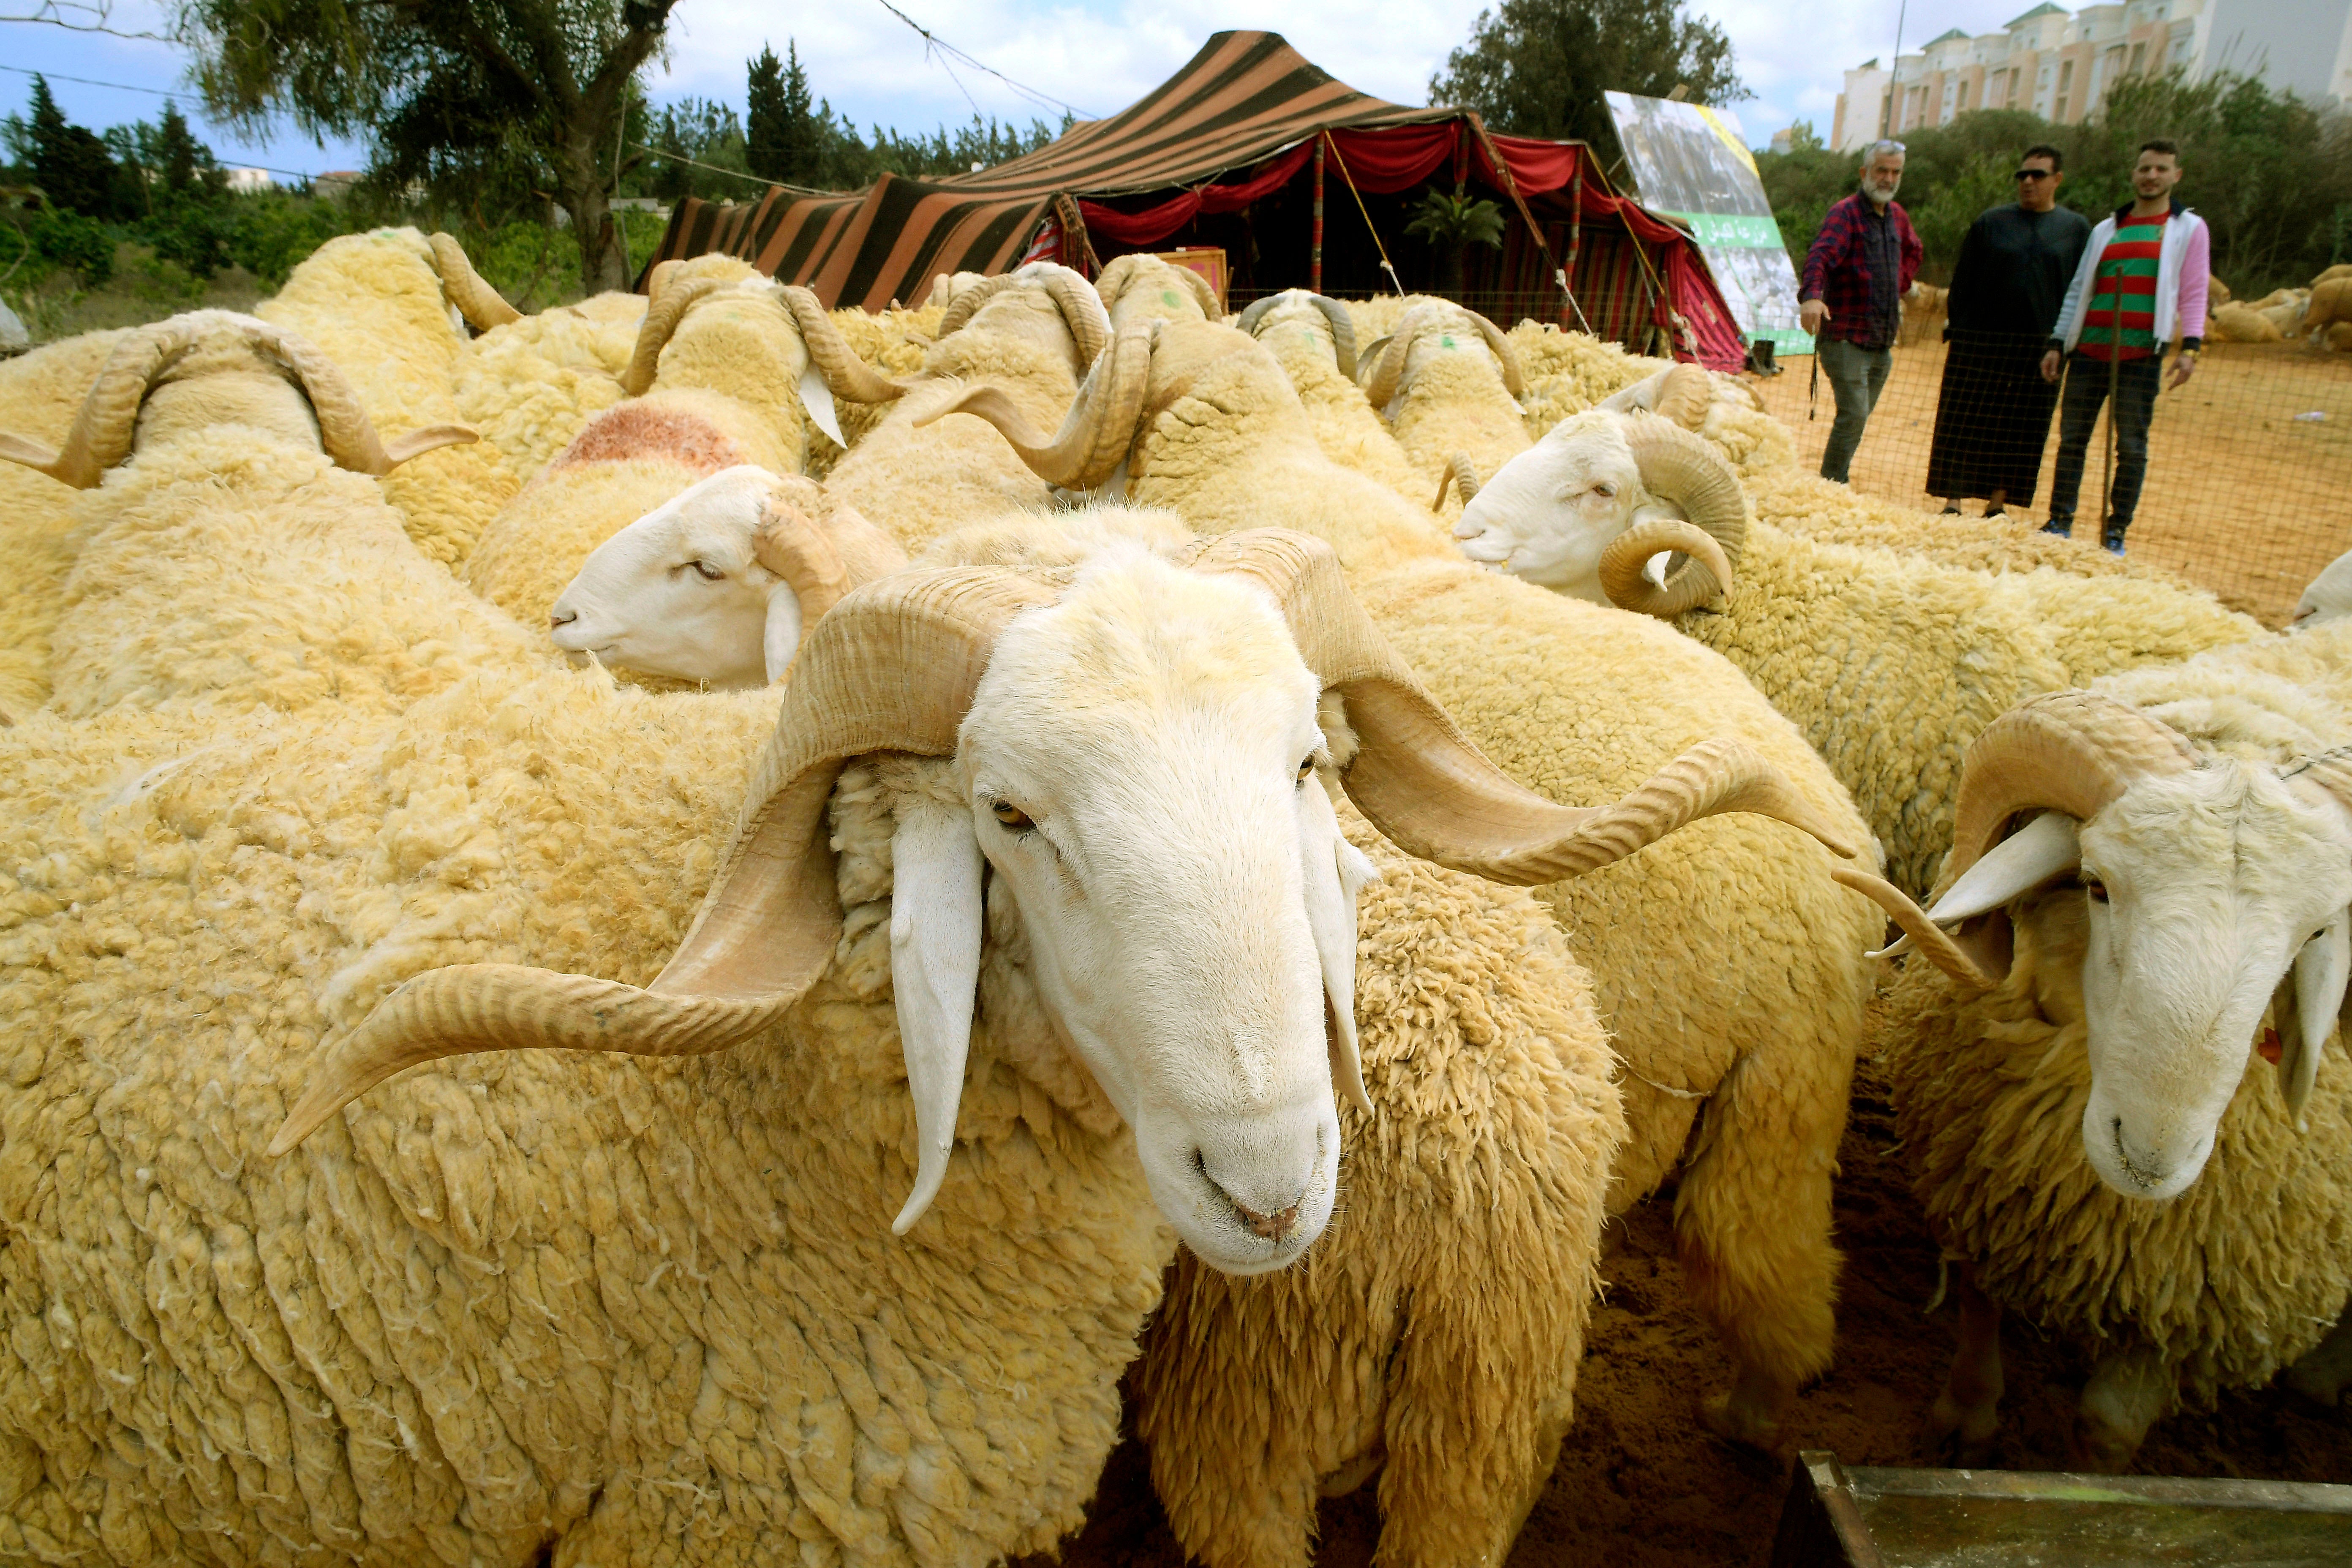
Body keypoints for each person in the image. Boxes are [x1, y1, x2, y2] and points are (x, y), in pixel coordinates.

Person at [2041, 139, 2209, 553]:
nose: (2152, 176)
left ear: (2176, 175)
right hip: (2090, 351)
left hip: (2140, 354)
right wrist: (2059, 343)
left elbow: (2193, 290)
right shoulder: (2106, 229)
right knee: (2072, 440)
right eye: (2145, 169)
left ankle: (2116, 531)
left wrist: (2191, 347)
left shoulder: (2188, 228)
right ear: (2134, 174)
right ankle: (2060, 520)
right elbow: (2081, 288)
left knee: (2131, 446)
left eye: (2161, 169)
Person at [1925, 145, 2091, 517]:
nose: (2028, 182)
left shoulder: (2075, 230)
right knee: (1965, 418)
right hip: (1980, 343)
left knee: (2017, 426)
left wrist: (2062, 341)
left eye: (2038, 175)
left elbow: (2080, 288)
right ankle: (1953, 501)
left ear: (2057, 180)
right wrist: (1961, 330)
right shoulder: (1991, 223)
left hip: (2037, 348)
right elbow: (1963, 279)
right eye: (2022, 176)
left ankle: (1997, 504)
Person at [1799, 139, 1923, 485]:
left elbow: (1915, 251)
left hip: (1882, 342)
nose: (1888, 178)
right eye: (1882, 170)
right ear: (1864, 172)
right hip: (1845, 339)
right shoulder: (1846, 213)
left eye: (1895, 172)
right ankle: (1832, 485)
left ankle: (1833, 481)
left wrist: (1900, 281)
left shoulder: (1898, 217)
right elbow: (1820, 257)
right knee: (1854, 415)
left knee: (1858, 417)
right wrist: (1812, 296)